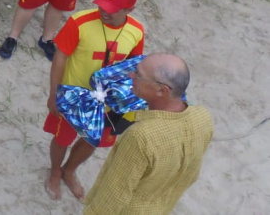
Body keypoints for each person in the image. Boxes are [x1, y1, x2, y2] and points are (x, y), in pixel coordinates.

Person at [45, 0, 145, 201]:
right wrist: (54, 94)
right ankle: (55, 171)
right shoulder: (79, 22)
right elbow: (60, 57)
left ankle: (69, 170)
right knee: (62, 138)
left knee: (93, 141)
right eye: (102, 5)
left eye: (112, 9)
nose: (104, 11)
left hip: (108, 103)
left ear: (129, 10)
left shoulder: (136, 31)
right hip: (74, 98)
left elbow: (134, 66)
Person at [84, 53, 214, 214]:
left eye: (138, 74)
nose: (131, 75)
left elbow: (113, 196)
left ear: (162, 90)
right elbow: (191, 174)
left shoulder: (140, 137)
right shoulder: (203, 116)